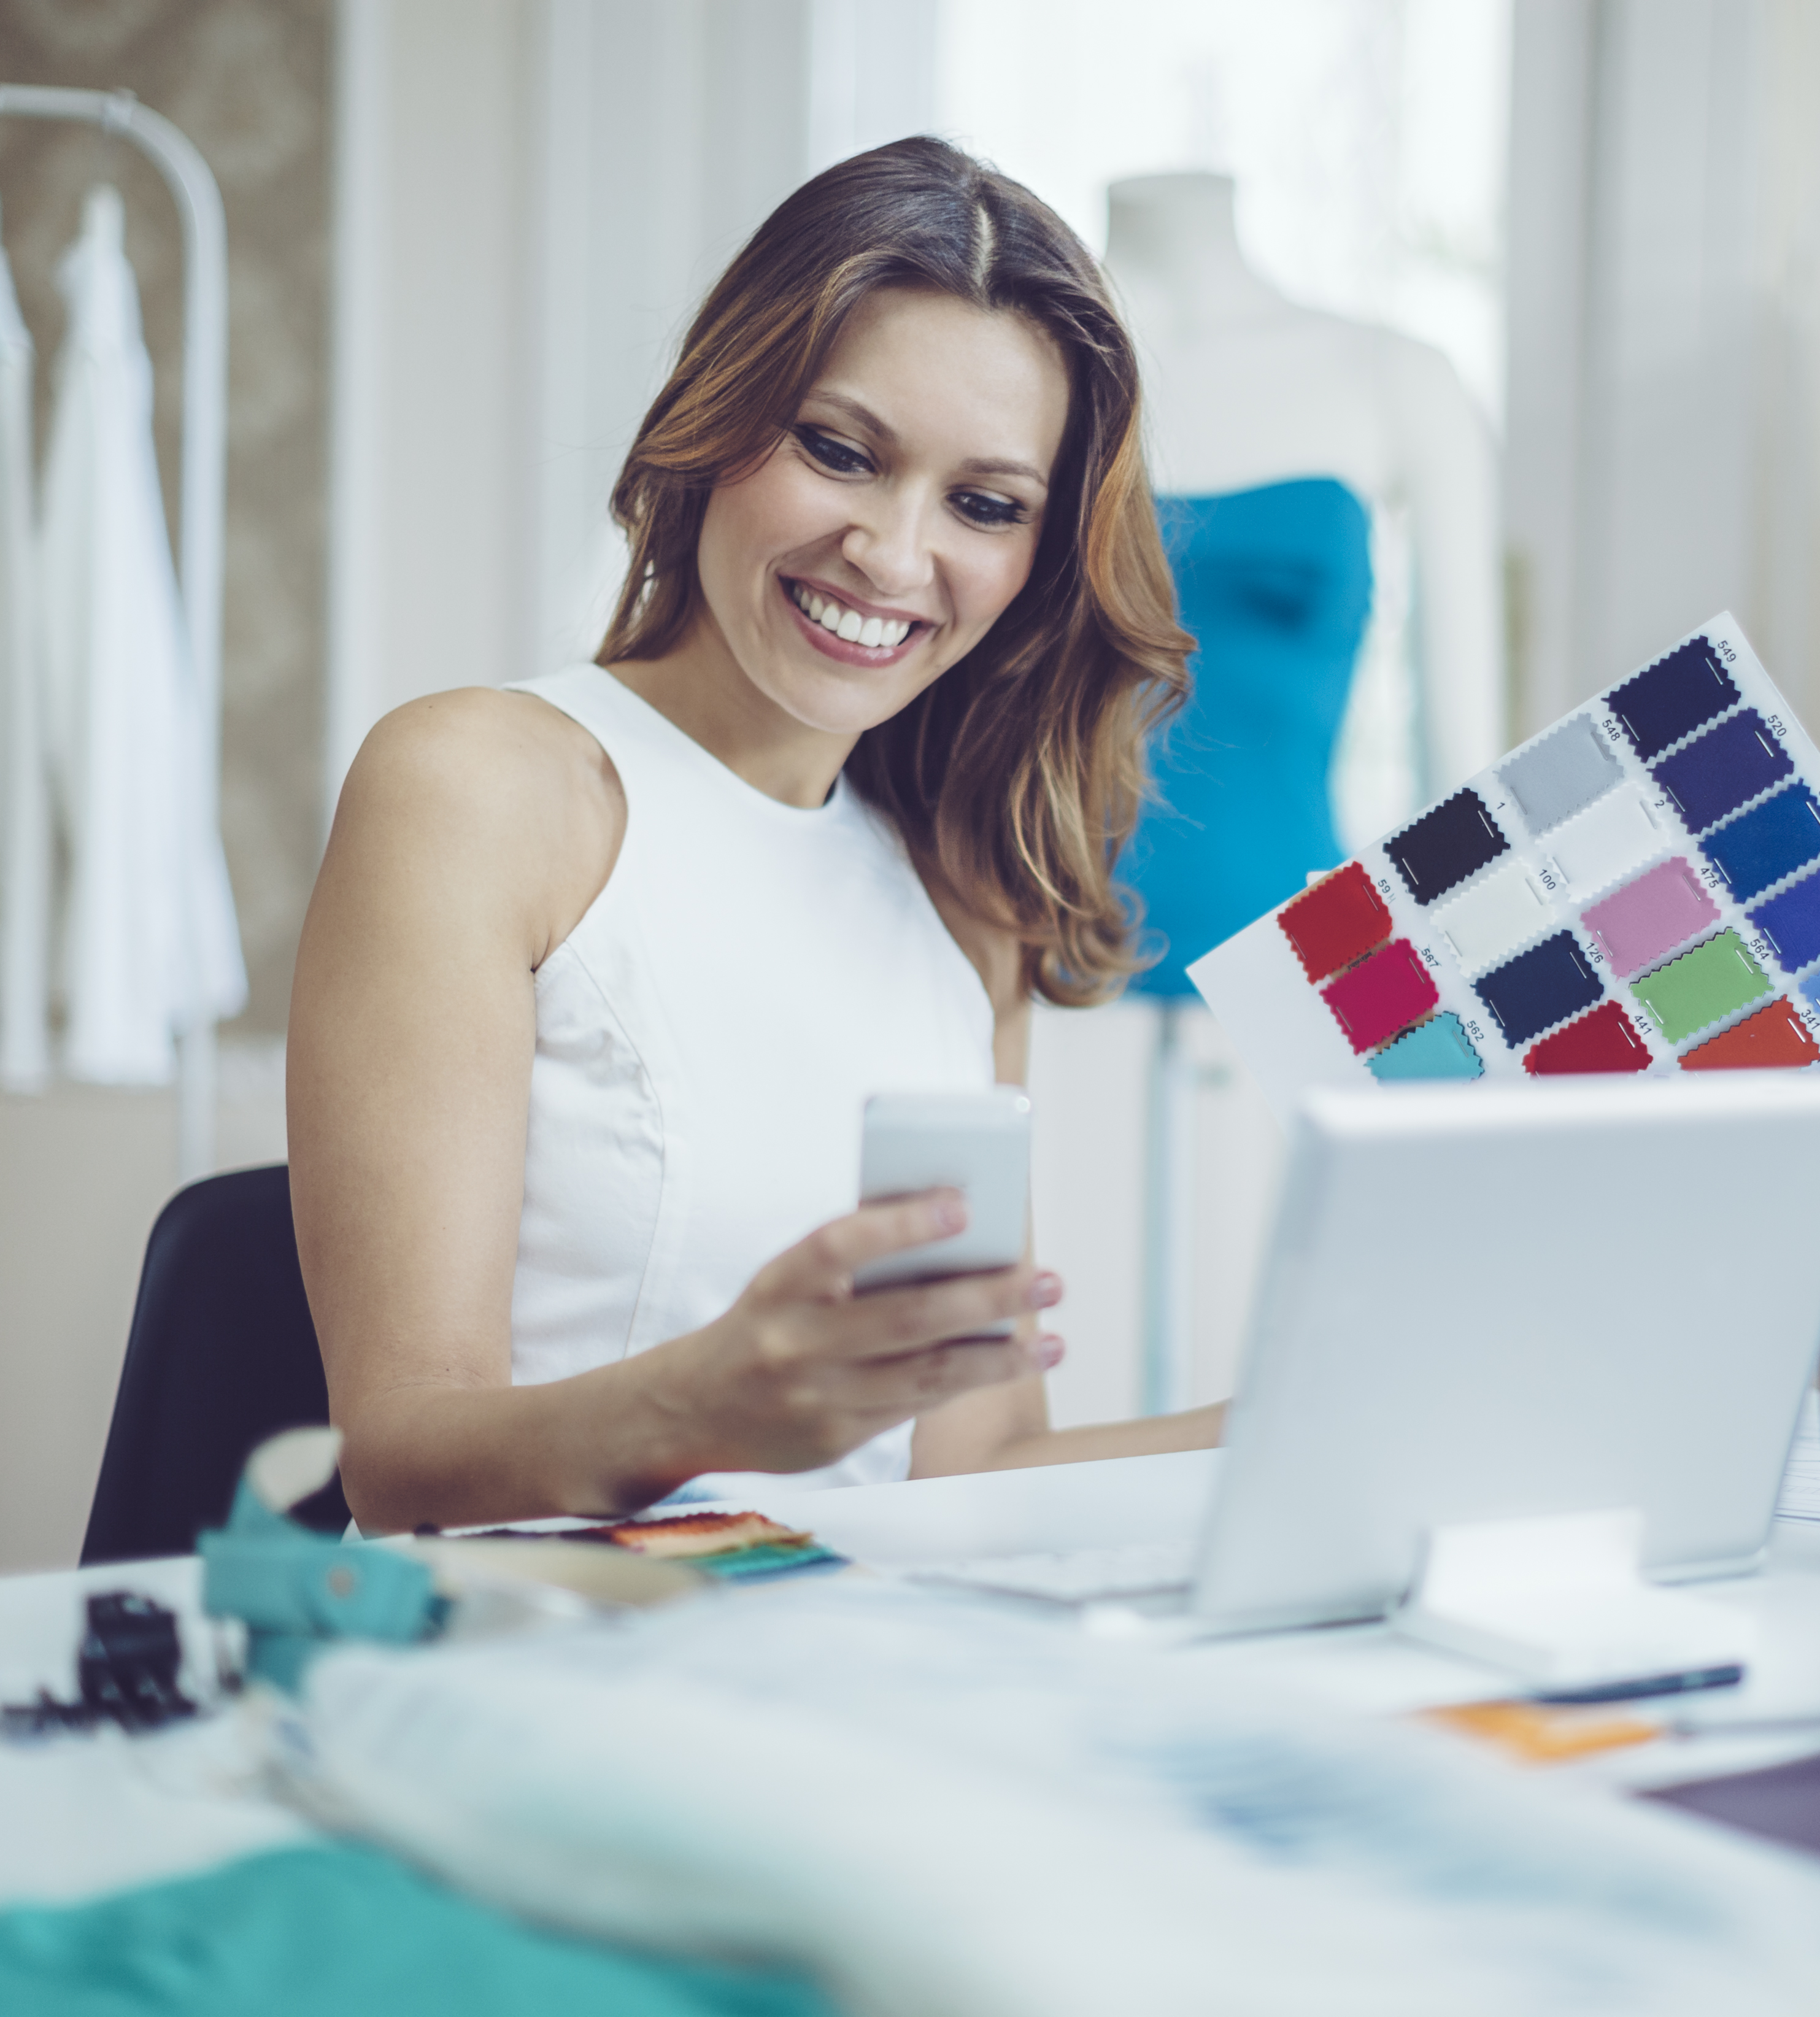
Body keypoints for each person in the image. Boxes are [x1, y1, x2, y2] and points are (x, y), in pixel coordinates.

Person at [290, 139, 1226, 1534]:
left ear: (1038, 560)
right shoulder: (480, 789)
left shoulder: (966, 903)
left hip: (841, 1674)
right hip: (527, 1658)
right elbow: (399, 1456)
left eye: (983, 505)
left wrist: (1327, 1416)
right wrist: (703, 1406)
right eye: (839, 452)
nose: (894, 557)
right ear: (721, 420)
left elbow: (963, 1474)